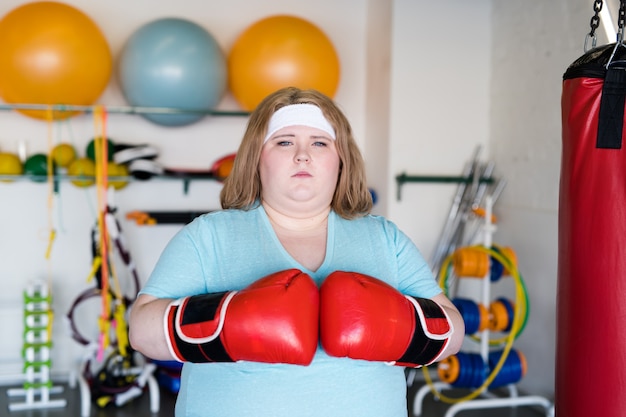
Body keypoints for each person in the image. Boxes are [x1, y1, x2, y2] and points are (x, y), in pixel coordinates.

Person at [129, 86, 464, 417]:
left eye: (319, 143)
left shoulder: (386, 240)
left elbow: (452, 332)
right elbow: (141, 330)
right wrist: (229, 321)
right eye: (284, 141)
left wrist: (395, 327)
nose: (302, 154)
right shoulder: (208, 236)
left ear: (341, 161)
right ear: (257, 159)